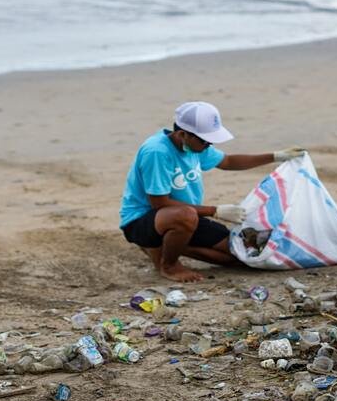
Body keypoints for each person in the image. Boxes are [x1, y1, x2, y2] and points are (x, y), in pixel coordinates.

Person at [118, 101, 306, 283]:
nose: (209, 145)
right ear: (183, 134)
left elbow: (229, 162)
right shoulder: (157, 152)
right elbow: (159, 203)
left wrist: (275, 156)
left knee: (238, 256)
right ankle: (168, 265)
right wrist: (215, 211)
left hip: (184, 217)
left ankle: (162, 246)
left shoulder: (195, 146)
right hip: (142, 220)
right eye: (206, 141)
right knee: (186, 215)